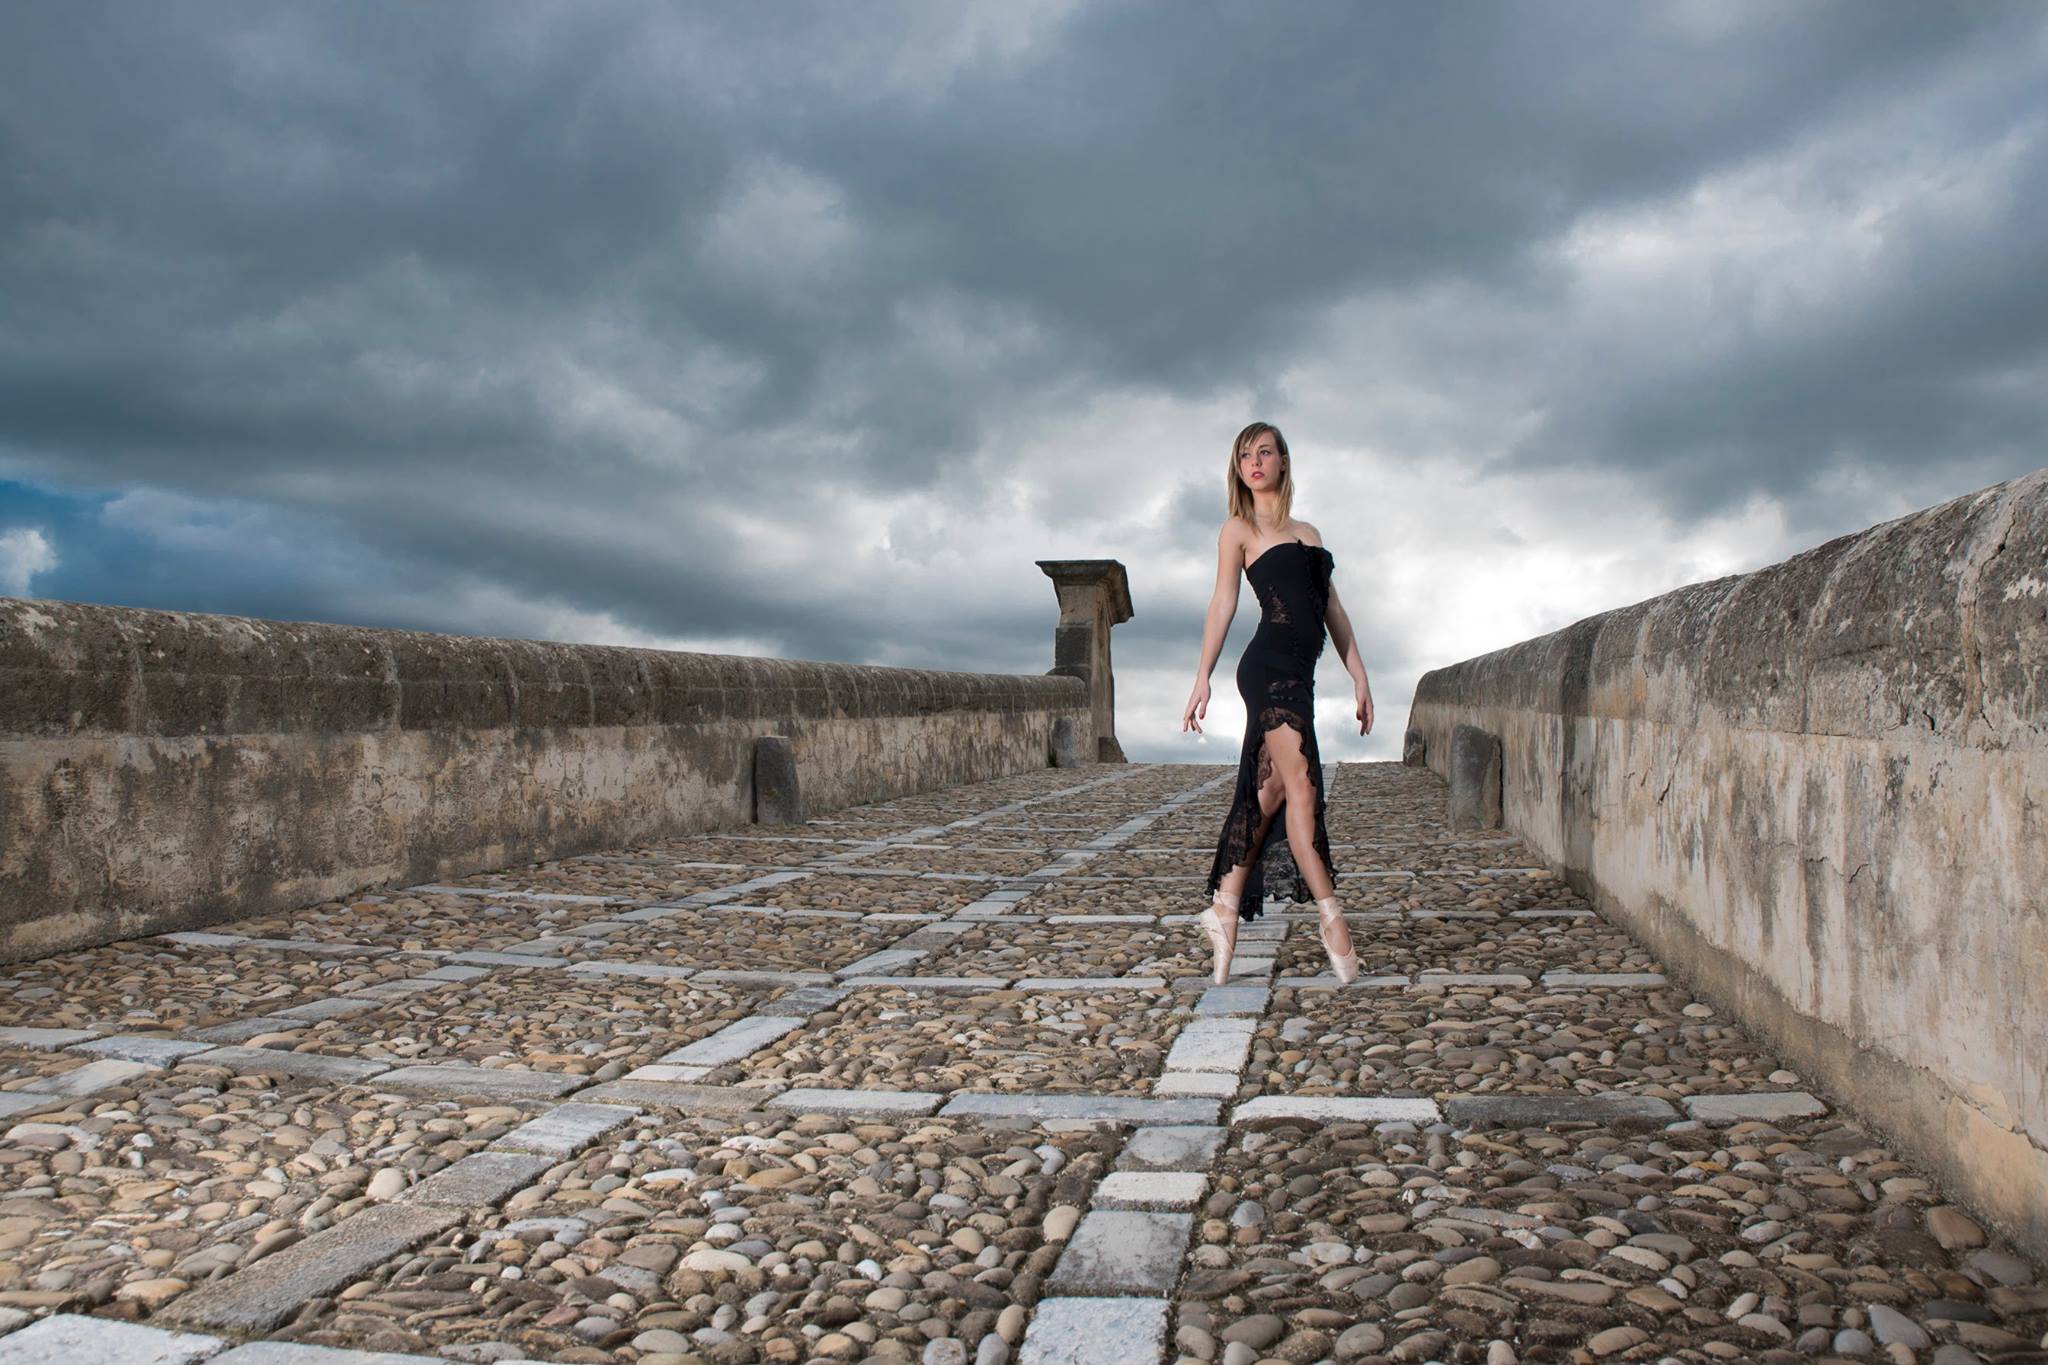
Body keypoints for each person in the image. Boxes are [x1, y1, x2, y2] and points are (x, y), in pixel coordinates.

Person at [1181, 421, 1375, 986]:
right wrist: (1202, 677)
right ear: (1238, 468)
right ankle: (1332, 918)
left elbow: (1332, 610)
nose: (1255, 462)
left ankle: (1224, 908)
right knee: (1304, 789)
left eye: (1265, 452)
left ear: (1283, 461)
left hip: (1302, 676)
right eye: (1246, 455)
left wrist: (1359, 675)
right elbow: (1222, 602)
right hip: (1266, 671)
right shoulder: (1238, 529)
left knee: (1270, 794)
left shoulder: (1310, 533)